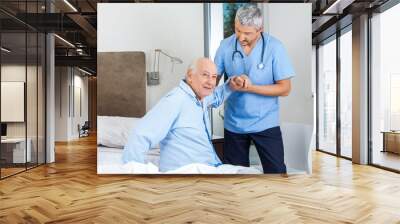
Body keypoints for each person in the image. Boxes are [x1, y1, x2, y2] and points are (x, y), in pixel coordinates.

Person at [122, 58, 245, 172]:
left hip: (211, 168)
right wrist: (133, 176)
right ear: (190, 76)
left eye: (213, 77)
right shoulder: (175, 100)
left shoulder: (201, 97)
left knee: (253, 175)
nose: (211, 82)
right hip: (188, 174)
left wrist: (231, 85)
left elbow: (216, 96)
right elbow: (140, 135)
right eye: (205, 75)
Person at [214, 4, 295, 173]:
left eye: (247, 33)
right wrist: (229, 84)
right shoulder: (225, 46)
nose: (241, 37)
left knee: (276, 174)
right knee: (235, 179)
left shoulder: (275, 48)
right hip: (234, 124)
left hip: (266, 123)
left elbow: (285, 88)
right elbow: (212, 81)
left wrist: (251, 88)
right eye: (237, 30)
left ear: (260, 30)